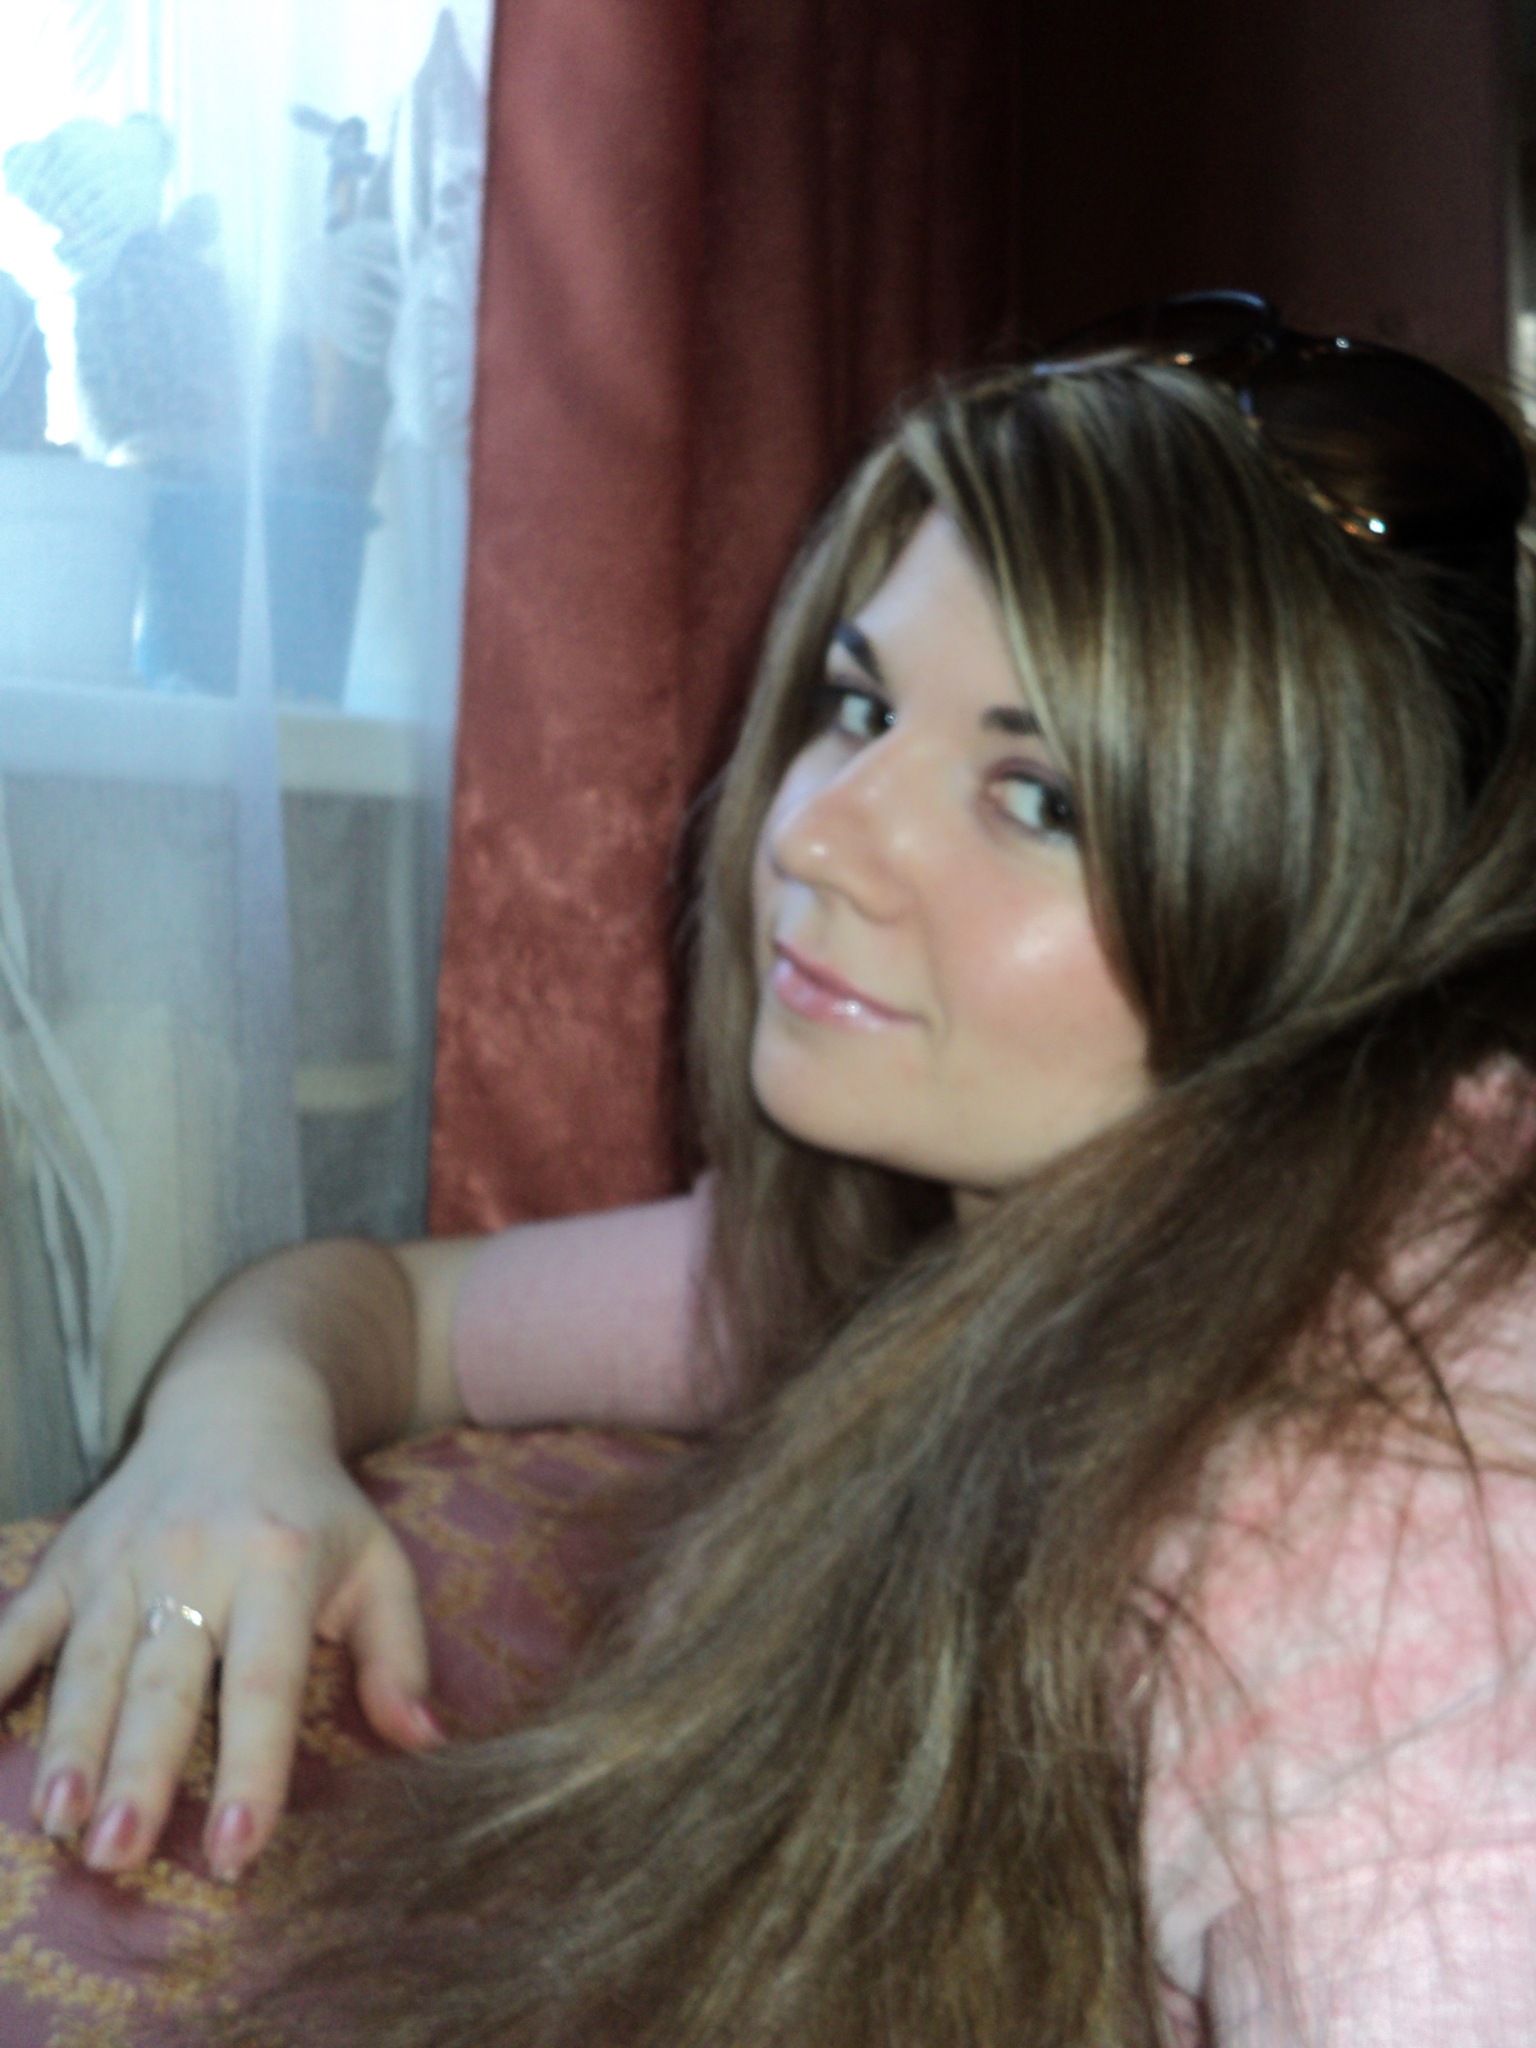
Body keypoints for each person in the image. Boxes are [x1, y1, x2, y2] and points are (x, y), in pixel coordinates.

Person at [4, 291, 1536, 2044]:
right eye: (861, 707)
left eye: (1038, 799)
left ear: (1339, 909)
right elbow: (397, 1311)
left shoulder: (1400, 1498)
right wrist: (230, 1434)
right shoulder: (973, 1229)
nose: (814, 833)